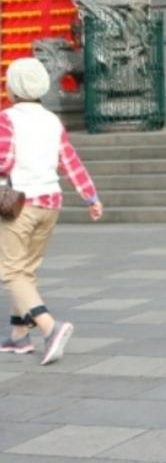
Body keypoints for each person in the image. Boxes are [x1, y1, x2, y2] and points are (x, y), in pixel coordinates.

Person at [0, 58, 103, 364]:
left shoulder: (6, 119)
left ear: (12, 88)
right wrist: (90, 196)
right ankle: (19, 336)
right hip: (50, 203)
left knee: (11, 271)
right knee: (27, 271)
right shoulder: (52, 121)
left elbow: (3, 161)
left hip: (18, 203)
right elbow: (70, 161)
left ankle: (49, 327)